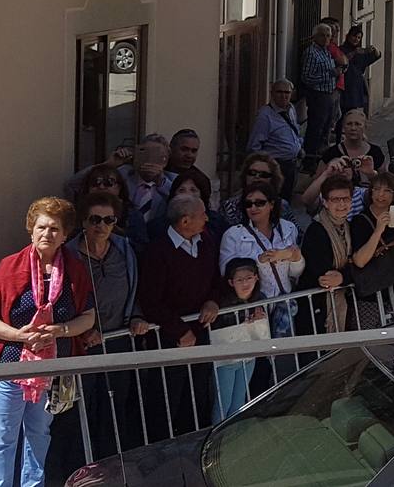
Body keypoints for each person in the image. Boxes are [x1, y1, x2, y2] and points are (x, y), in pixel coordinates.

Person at [0, 198, 96, 487]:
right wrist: (20, 335)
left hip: (50, 370)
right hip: (11, 368)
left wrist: (60, 330)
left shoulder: (74, 271)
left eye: (55, 228)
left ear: (65, 235)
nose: (47, 234)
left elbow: (87, 317)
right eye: (41, 227)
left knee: (39, 434)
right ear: (31, 230)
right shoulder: (10, 267)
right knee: (2, 437)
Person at [62, 193, 148, 463]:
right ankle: (80, 468)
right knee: (83, 408)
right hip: (84, 343)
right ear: (83, 222)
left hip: (118, 339)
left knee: (114, 406)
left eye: (108, 220)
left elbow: (133, 286)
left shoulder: (124, 249)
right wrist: (84, 329)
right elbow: (62, 297)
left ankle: (110, 466)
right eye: (95, 219)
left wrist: (135, 316)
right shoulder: (70, 254)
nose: (101, 225)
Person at [137, 195, 221, 436]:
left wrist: (213, 301)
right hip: (168, 340)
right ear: (185, 221)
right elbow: (150, 301)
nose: (207, 218)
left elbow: (216, 280)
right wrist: (179, 330)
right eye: (202, 214)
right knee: (165, 400)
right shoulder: (158, 251)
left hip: (201, 332)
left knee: (197, 398)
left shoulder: (207, 241)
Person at [219, 183, 304, 345]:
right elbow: (226, 273)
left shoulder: (289, 228)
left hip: (283, 303)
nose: (253, 207)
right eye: (248, 203)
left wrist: (294, 257)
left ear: (272, 204)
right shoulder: (233, 234)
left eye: (260, 202)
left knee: (283, 355)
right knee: (256, 358)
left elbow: (295, 274)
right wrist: (261, 262)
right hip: (250, 307)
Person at [348, 174, 394, 328]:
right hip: (370, 294)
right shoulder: (360, 220)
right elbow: (359, 260)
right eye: (376, 189)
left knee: (392, 338)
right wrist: (378, 231)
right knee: (367, 335)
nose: (380, 195)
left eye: (387, 191)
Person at [210, 258, 266, 422]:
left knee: (239, 401)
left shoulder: (260, 299)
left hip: (248, 357)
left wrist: (259, 320)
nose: (245, 283)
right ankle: (216, 438)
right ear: (230, 282)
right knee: (223, 404)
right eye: (239, 280)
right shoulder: (221, 304)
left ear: (256, 278)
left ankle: (232, 434)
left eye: (249, 278)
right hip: (226, 361)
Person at [297, 176, 353, 333]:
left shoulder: (350, 227)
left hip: (341, 300)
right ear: (325, 202)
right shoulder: (316, 230)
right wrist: (347, 275)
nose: (341, 204)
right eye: (335, 199)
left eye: (345, 199)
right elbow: (324, 274)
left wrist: (343, 277)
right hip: (316, 306)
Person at [246, 80, 302, 197]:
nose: (283, 96)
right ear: (272, 93)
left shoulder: (291, 109)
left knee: (286, 200)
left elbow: (294, 131)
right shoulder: (264, 116)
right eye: (279, 92)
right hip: (275, 165)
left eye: (287, 92)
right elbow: (254, 146)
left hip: (291, 165)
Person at [300, 23, 341, 159]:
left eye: (328, 36)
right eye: (322, 35)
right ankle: (310, 158)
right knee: (316, 128)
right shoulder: (311, 53)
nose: (326, 38)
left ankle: (320, 156)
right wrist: (331, 74)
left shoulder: (326, 51)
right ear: (315, 36)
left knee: (326, 127)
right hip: (318, 96)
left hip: (329, 94)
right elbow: (307, 77)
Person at [339, 26, 382, 115]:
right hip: (345, 87)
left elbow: (376, 56)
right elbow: (342, 60)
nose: (356, 39)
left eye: (359, 37)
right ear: (348, 36)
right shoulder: (342, 49)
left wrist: (374, 50)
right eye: (354, 36)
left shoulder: (361, 52)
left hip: (357, 88)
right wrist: (354, 53)